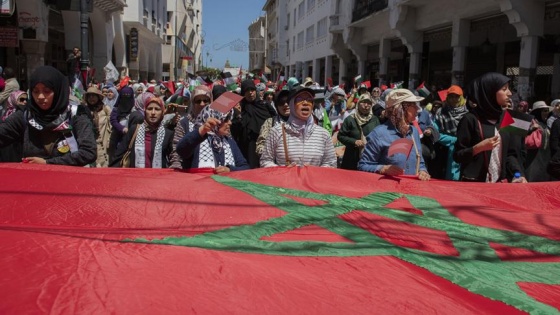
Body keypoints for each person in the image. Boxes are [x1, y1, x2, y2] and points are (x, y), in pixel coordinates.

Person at [0, 66, 96, 166]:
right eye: (36, 91)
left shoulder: (75, 114)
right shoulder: (25, 115)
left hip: (68, 179)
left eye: (47, 91)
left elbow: (88, 152)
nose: (40, 97)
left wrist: (48, 163)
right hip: (33, 179)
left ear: (58, 91)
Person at [454, 72, 526, 183]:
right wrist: (478, 148)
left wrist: (518, 174)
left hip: (499, 186)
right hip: (474, 187)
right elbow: (458, 156)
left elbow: (511, 154)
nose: (510, 93)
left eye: (509, 89)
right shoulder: (470, 119)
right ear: (490, 92)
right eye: (504, 89)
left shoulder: (507, 118)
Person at [358, 89, 430, 180]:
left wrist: (423, 171)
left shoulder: (413, 132)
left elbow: (420, 163)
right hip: (388, 192)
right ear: (401, 108)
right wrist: (382, 169)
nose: (418, 109)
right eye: (413, 105)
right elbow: (363, 165)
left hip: (411, 191)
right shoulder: (379, 134)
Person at [260, 85, 336, 167]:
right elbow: (265, 161)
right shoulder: (276, 131)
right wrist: (282, 171)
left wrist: (315, 172)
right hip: (285, 180)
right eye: (300, 99)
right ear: (291, 104)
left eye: (309, 100)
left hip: (313, 180)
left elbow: (331, 163)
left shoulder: (323, 134)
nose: (305, 103)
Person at [176, 105, 249, 172]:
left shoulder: (230, 142)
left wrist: (230, 169)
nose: (230, 123)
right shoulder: (197, 139)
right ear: (216, 118)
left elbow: (245, 167)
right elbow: (181, 150)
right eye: (226, 119)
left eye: (230, 119)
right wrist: (202, 130)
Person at [111, 97, 173, 168]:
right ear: (144, 111)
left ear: (162, 112)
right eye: (149, 109)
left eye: (157, 109)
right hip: (135, 177)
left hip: (158, 177)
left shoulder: (168, 134)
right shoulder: (134, 130)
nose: (153, 113)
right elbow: (119, 154)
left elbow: (174, 158)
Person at [232, 79, 276, 168]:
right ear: (243, 93)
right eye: (247, 91)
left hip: (265, 147)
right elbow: (235, 130)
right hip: (246, 149)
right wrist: (238, 115)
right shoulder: (239, 107)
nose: (250, 93)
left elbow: (275, 121)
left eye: (252, 90)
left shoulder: (264, 105)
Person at [168, 85, 210, 169]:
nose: (202, 104)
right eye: (198, 101)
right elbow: (176, 152)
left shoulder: (219, 122)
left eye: (206, 100)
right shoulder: (184, 123)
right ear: (192, 103)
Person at [433, 85, 469, 180]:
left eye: (457, 97)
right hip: (445, 148)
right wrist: (454, 140)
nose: (454, 99)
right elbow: (436, 133)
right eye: (451, 96)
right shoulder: (441, 112)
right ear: (447, 98)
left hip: (466, 147)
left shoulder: (468, 112)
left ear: (461, 98)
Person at [337, 93, 380, 170]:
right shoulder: (350, 119)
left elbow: (380, 137)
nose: (366, 105)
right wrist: (354, 142)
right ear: (358, 103)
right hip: (351, 159)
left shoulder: (375, 120)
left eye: (369, 103)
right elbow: (340, 136)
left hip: (369, 159)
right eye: (363, 102)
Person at [524, 101, 553, 182]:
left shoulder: (546, 125)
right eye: (544, 111)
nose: (547, 113)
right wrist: (531, 129)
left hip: (545, 160)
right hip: (533, 160)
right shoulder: (530, 124)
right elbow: (520, 137)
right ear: (537, 112)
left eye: (547, 110)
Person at [256, 90, 290, 156]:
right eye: (281, 103)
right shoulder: (270, 122)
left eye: (288, 102)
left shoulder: (302, 122)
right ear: (276, 106)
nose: (286, 105)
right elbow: (260, 145)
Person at [84, 86, 112, 167]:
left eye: (94, 95)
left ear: (98, 97)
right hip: (89, 145)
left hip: (103, 145)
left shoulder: (105, 109)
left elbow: (111, 126)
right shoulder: (84, 110)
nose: (91, 98)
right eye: (89, 96)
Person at [108, 87, 135, 163]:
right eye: (124, 95)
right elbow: (113, 120)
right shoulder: (116, 109)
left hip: (131, 138)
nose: (126, 98)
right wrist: (122, 128)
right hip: (117, 138)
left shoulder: (134, 109)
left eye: (128, 95)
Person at [0, 90, 28, 162]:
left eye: (26, 99)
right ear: (13, 99)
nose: (25, 102)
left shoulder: (25, 115)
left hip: (17, 153)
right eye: (21, 99)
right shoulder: (3, 113)